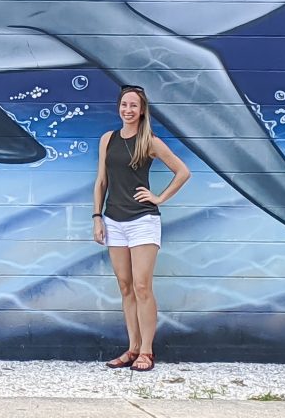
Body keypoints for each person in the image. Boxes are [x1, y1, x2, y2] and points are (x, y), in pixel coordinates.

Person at [92, 84, 190, 372]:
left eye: (134, 105)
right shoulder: (107, 139)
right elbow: (101, 181)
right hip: (114, 220)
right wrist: (97, 216)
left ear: (142, 110)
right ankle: (132, 347)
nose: (128, 110)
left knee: (142, 286)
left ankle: (147, 351)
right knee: (125, 287)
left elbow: (183, 172)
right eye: (124, 104)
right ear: (119, 107)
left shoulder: (150, 141)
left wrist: (159, 197)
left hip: (143, 221)